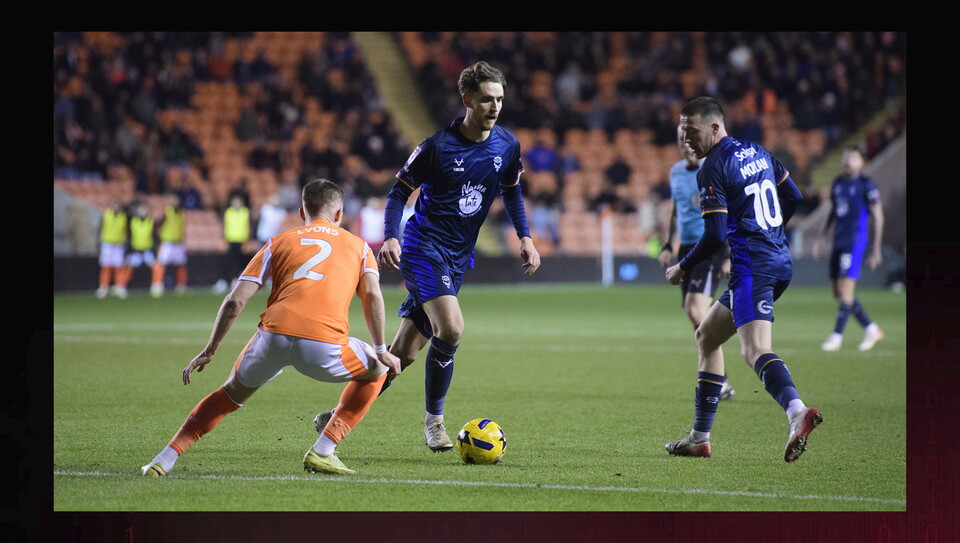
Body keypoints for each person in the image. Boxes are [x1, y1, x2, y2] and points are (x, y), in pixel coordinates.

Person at [313, 61, 542, 452]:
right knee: (450, 329)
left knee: (403, 353)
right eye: (487, 99)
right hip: (423, 249)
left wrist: (525, 236)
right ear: (467, 99)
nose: (495, 107)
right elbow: (398, 193)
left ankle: (335, 416)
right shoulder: (436, 147)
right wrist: (390, 237)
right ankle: (435, 423)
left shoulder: (507, 144)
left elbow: (511, 190)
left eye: (500, 99)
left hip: (457, 257)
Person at [141, 179, 401, 477]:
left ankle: (164, 459)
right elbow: (372, 296)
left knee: (229, 394)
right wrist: (381, 350)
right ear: (340, 214)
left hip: (272, 338)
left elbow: (235, 301)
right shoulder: (359, 247)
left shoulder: (278, 242)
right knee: (377, 370)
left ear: (302, 212)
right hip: (324, 346)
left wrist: (210, 350)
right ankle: (324, 450)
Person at [664, 96, 821, 462]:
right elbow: (793, 196)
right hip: (778, 260)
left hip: (754, 268)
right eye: (683, 130)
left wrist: (682, 267)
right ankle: (699, 438)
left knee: (754, 351)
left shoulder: (711, 168)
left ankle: (797, 412)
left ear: (715, 127)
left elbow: (716, 234)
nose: (686, 138)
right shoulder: (758, 150)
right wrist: (768, 230)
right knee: (707, 335)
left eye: (693, 130)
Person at [658, 125, 735, 401]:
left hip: (710, 247)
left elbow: (726, 213)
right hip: (686, 249)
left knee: (694, 308)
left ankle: (720, 378)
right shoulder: (676, 172)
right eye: (679, 140)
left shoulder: (713, 169)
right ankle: (717, 379)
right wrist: (669, 243)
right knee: (696, 316)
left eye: (687, 139)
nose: (684, 144)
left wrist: (727, 254)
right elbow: (676, 211)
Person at [811, 147, 885, 351]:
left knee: (846, 290)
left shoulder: (867, 185)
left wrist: (876, 249)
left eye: (852, 157)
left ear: (862, 162)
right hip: (838, 241)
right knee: (838, 291)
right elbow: (833, 212)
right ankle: (871, 328)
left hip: (855, 241)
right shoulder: (838, 183)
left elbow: (878, 216)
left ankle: (836, 336)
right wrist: (821, 238)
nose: (847, 160)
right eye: (845, 156)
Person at [115, 200, 156, 297]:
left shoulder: (151, 221)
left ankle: (156, 287)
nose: (143, 212)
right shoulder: (132, 221)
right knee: (128, 267)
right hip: (135, 250)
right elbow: (124, 209)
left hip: (147, 250)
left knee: (157, 267)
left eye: (145, 210)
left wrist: (154, 251)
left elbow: (155, 237)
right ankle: (120, 287)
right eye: (141, 210)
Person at [151, 192, 189, 297]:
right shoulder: (167, 212)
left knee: (181, 264)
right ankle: (157, 285)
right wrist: (158, 237)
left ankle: (181, 285)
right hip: (167, 243)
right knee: (161, 263)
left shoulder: (182, 213)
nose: (174, 202)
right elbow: (157, 224)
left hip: (178, 242)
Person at [213, 195, 252, 294]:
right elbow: (225, 227)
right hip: (230, 240)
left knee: (240, 263)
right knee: (226, 261)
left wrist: (247, 241)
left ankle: (236, 281)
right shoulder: (228, 212)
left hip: (241, 240)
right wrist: (224, 239)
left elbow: (248, 227)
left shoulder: (245, 212)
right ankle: (223, 281)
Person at [95, 197, 129, 299]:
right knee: (106, 266)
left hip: (119, 244)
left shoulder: (123, 216)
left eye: (117, 205)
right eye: (114, 204)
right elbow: (100, 228)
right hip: (108, 244)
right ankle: (103, 287)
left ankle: (120, 287)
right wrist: (98, 242)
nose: (116, 207)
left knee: (119, 267)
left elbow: (126, 230)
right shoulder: (105, 215)